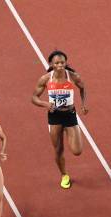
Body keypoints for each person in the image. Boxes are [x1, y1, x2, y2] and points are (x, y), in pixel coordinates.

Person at [32, 50, 87, 189]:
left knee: (77, 151)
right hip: (54, 116)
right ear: (52, 64)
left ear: (65, 62)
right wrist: (45, 104)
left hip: (69, 115)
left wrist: (84, 104)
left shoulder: (72, 76)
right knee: (58, 149)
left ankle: (72, 131)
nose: (60, 65)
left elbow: (82, 88)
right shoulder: (45, 79)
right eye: (57, 63)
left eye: (62, 62)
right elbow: (34, 98)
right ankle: (64, 175)